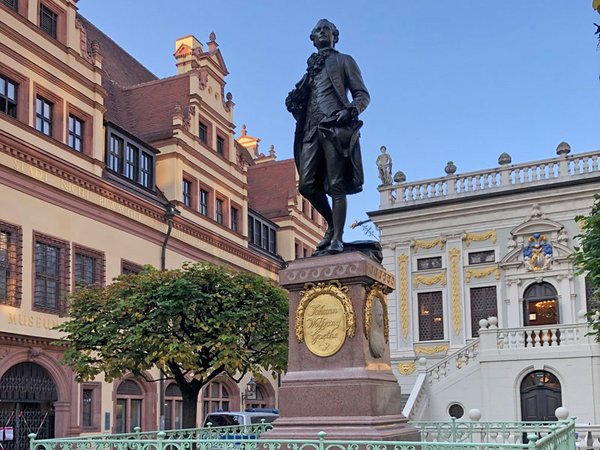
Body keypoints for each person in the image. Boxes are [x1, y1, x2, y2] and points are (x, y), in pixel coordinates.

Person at [286, 19, 370, 254]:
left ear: (335, 36)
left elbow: (362, 95)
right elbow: (301, 101)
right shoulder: (310, 69)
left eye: (327, 29)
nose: (322, 32)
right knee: (306, 185)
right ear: (312, 39)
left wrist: (351, 110)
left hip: (334, 127)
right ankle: (333, 224)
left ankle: (338, 238)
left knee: (336, 184)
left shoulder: (344, 60)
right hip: (311, 130)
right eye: (317, 30)